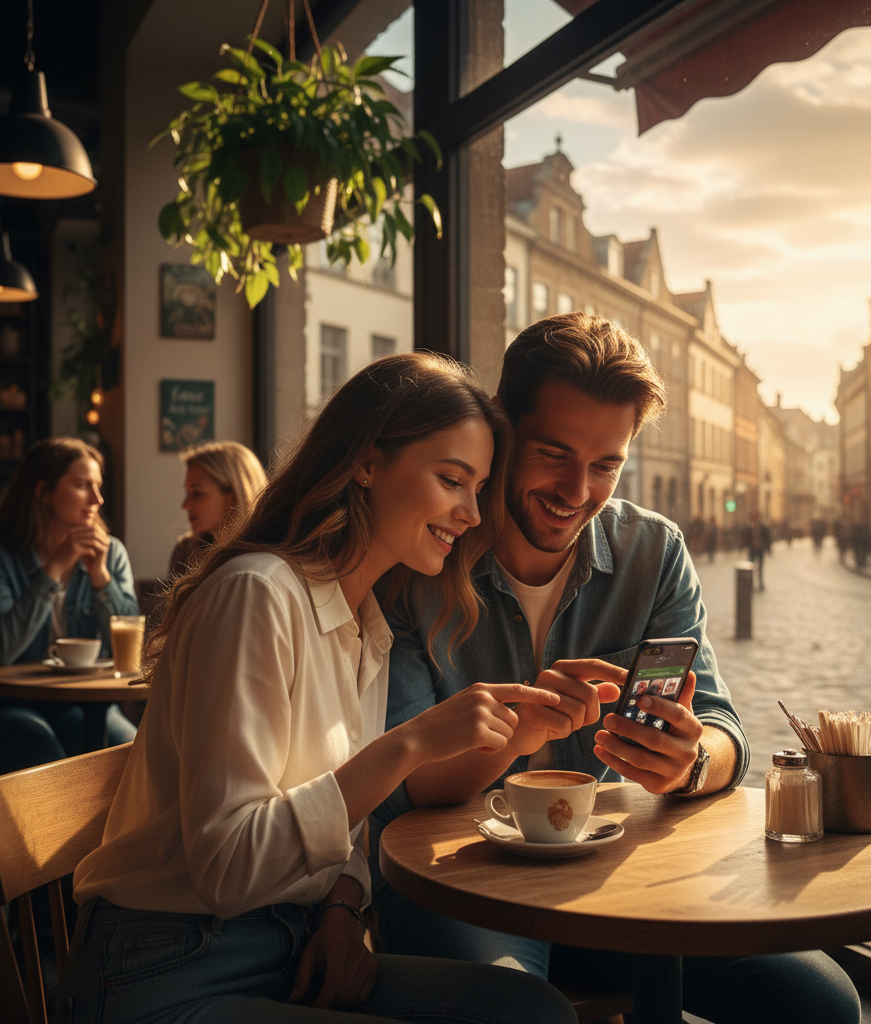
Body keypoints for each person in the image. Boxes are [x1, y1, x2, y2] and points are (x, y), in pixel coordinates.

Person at [56, 352, 579, 1024]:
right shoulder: (256, 595)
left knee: (531, 1010)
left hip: (292, 947)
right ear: (366, 463)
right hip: (166, 968)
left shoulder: (366, 627)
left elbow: (340, 831)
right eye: (452, 479)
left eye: (478, 489)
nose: (472, 514)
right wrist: (409, 744)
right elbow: (229, 868)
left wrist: (341, 909)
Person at [371, 314, 860, 1024]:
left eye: (606, 465)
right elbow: (403, 782)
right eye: (554, 454)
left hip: (607, 872)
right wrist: (518, 732)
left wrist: (690, 762)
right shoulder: (426, 552)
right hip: (458, 877)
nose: (577, 490)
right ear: (502, 429)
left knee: (820, 1002)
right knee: (518, 1010)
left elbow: (721, 726)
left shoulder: (652, 552)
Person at [0, 438, 139, 777]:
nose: (97, 499)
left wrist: (100, 577)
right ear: (43, 491)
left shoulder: (110, 553)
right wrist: (53, 570)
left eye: (98, 486)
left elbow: (128, 650)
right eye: (82, 485)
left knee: (136, 759)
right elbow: (1, 651)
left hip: (82, 705)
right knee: (47, 766)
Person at [169, 440, 268, 577]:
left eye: (197, 493)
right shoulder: (186, 551)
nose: (185, 505)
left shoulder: (266, 557)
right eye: (187, 493)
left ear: (234, 496)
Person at [747, 511, 772, 590]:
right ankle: (751, 584)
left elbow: (767, 538)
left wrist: (768, 548)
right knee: (751, 568)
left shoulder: (763, 527)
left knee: (760, 568)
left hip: (760, 549)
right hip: (752, 550)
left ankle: (760, 584)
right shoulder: (749, 527)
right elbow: (745, 537)